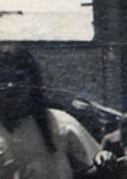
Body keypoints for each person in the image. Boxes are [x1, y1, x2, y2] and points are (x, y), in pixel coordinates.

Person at [0, 45, 112, 179]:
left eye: (19, 78)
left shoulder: (61, 124)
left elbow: (90, 169)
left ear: (33, 80)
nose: (12, 86)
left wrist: (103, 162)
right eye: (3, 79)